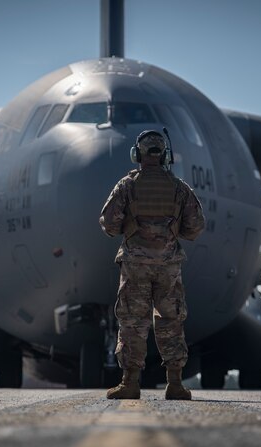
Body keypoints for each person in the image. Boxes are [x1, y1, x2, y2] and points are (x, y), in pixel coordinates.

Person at [99, 129, 205, 400]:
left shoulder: (126, 186)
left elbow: (109, 224)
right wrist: (169, 232)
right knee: (171, 320)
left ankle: (130, 383)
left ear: (138, 155)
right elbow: (196, 227)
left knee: (133, 322)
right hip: (168, 265)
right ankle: (176, 384)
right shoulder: (180, 188)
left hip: (136, 264)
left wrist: (134, 228)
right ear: (165, 155)